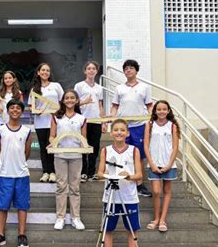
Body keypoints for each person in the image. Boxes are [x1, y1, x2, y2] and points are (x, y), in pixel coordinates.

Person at [97, 119, 142, 247]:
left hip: (129, 197)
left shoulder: (134, 150)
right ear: (111, 133)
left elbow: (139, 175)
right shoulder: (106, 150)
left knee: (131, 230)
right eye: (116, 130)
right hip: (110, 197)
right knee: (108, 230)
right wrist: (110, 174)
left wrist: (128, 175)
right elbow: (100, 173)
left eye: (122, 130)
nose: (119, 132)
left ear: (127, 133)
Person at [0, 99, 32, 247]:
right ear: (7, 110)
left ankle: (22, 235)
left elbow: (26, 153)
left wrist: (18, 164)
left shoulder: (26, 131)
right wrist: (6, 164)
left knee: (22, 206)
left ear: (22, 111)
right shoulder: (0, 130)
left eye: (18, 108)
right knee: (2, 206)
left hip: (21, 174)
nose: (15, 110)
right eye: (12, 108)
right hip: (5, 173)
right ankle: (0, 235)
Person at [110, 59, 153, 197]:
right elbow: (115, 106)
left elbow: (149, 106)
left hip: (140, 125)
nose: (128, 70)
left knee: (138, 155)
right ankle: (123, 182)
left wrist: (151, 122)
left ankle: (139, 184)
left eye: (131, 68)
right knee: (122, 154)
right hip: (124, 127)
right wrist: (111, 121)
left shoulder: (144, 88)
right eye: (126, 68)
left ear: (136, 70)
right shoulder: (119, 88)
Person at [49, 90, 86, 230]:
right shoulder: (56, 117)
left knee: (75, 187)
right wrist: (53, 143)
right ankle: (61, 217)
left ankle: (76, 217)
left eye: (72, 98)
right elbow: (52, 136)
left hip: (76, 156)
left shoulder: (82, 119)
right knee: (61, 186)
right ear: (63, 100)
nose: (69, 100)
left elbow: (84, 139)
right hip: (60, 156)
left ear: (76, 100)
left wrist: (85, 146)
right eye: (67, 98)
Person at [144, 100, 180, 232]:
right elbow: (146, 146)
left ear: (168, 111)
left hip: (169, 164)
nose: (161, 112)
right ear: (155, 111)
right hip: (154, 163)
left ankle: (163, 219)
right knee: (156, 191)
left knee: (167, 191)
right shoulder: (150, 125)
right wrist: (152, 164)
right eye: (159, 109)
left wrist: (170, 164)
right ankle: (156, 218)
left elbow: (176, 146)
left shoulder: (172, 126)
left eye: (164, 109)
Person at [29, 63, 64, 183]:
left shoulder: (56, 86)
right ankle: (45, 172)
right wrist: (36, 111)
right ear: (38, 72)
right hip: (40, 123)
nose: (45, 72)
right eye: (43, 70)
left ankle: (53, 172)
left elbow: (63, 102)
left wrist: (59, 112)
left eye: (47, 70)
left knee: (53, 147)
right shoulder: (34, 89)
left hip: (54, 122)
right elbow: (31, 106)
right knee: (43, 148)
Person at [74, 61, 107, 182]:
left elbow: (100, 105)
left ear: (97, 71)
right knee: (83, 146)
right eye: (89, 68)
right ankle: (83, 172)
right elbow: (73, 103)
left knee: (95, 147)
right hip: (83, 121)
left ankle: (91, 172)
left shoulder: (99, 88)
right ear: (85, 71)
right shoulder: (79, 86)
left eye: (94, 68)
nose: (91, 70)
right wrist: (84, 102)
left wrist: (104, 122)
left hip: (96, 121)